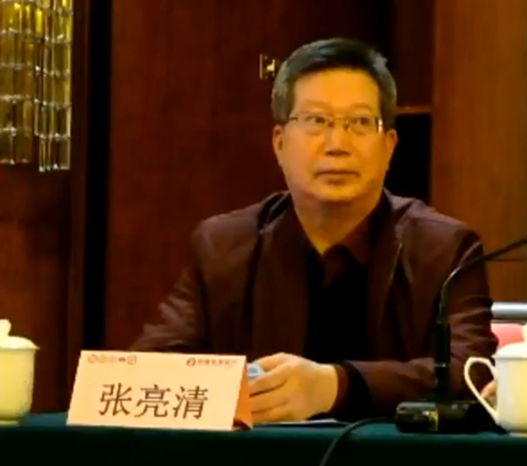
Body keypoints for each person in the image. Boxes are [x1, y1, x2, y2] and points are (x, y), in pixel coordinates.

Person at [130, 38, 496, 423]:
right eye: (316, 121)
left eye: (359, 123)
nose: (337, 144)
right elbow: (150, 371)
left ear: (389, 147)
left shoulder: (445, 249)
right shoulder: (222, 247)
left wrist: (335, 386)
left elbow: (473, 375)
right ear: (279, 143)